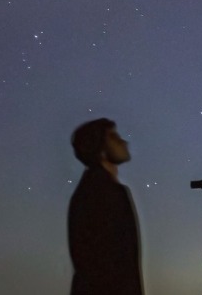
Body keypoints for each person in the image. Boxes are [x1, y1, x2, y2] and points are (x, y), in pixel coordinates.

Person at [68, 118, 144, 295]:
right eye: (113, 137)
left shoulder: (92, 189)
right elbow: (112, 263)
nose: (123, 142)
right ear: (100, 149)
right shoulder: (102, 192)